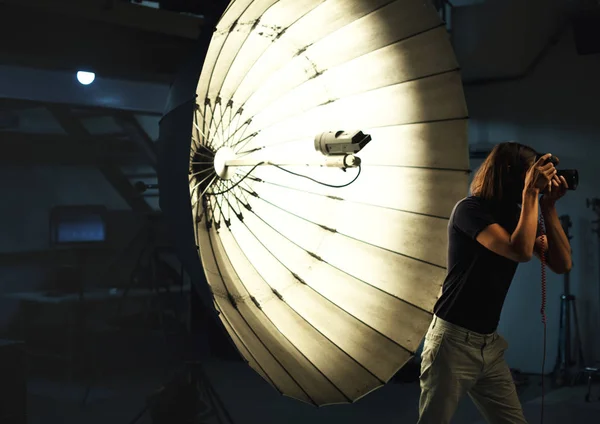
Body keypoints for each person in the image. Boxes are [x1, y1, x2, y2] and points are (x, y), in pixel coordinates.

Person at [417, 142, 573, 423]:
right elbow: (519, 251)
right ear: (511, 172)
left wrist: (548, 206)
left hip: (489, 345)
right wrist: (531, 194)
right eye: (531, 172)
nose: (536, 179)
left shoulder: (517, 215)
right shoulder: (469, 210)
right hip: (452, 343)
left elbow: (562, 264)